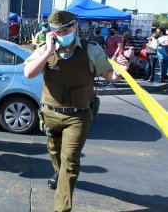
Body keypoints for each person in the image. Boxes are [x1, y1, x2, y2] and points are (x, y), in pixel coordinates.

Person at [23, 11, 129, 212]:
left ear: (75, 27)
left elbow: (109, 76)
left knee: (70, 161)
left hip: (78, 116)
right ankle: (58, 172)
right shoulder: (45, 49)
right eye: (57, 31)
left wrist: (119, 71)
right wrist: (48, 50)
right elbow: (28, 73)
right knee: (54, 152)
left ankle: (61, 208)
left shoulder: (91, 50)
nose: (62, 34)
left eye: (65, 30)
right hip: (51, 114)